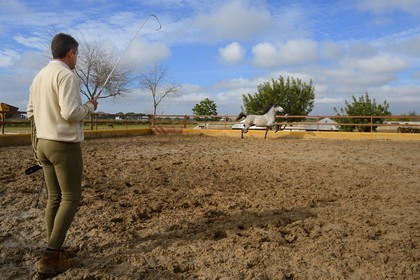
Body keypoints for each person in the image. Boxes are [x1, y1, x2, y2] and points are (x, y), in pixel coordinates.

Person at [27, 33, 99, 275]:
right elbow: (70, 113)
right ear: (70, 53)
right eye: (77, 54)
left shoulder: (38, 77)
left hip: (43, 145)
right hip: (63, 146)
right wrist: (89, 107)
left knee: (54, 198)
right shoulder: (66, 76)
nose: (77, 58)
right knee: (70, 197)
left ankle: (54, 247)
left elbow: (30, 111)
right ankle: (50, 256)